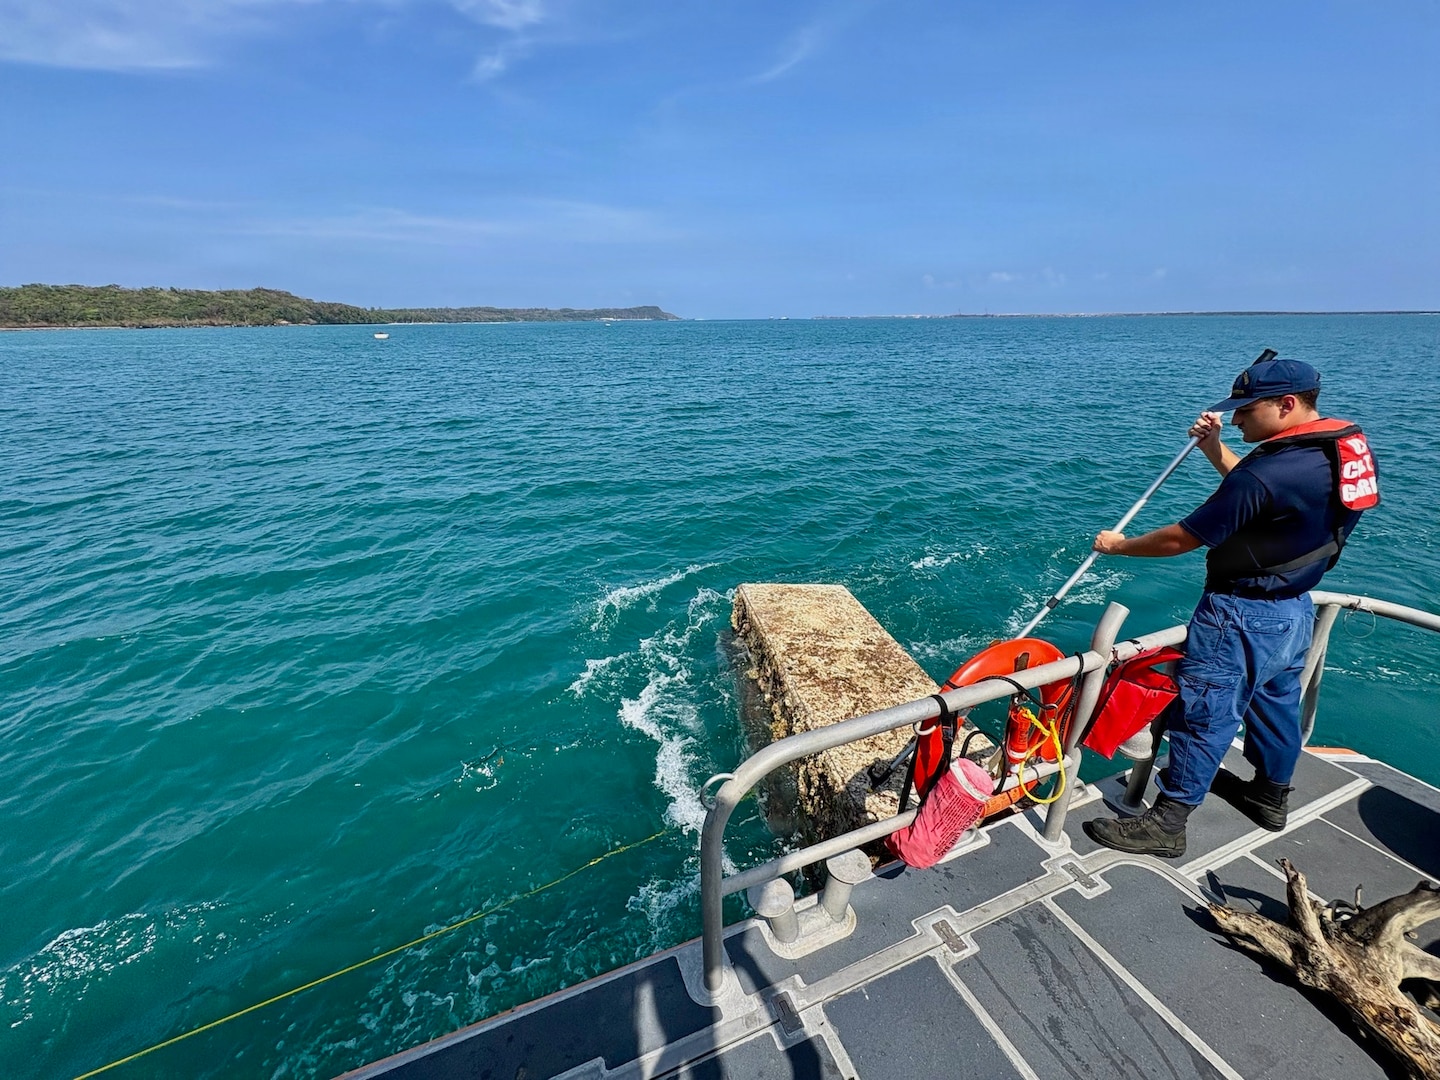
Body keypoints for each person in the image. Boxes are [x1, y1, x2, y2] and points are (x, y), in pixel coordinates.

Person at [1082, 355, 1378, 858]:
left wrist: (1117, 546)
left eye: (1245, 409)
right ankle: (1269, 796)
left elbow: (1182, 538)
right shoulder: (1338, 452)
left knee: (1205, 714)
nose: (1237, 419)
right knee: (1277, 704)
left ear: (1287, 404)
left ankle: (1167, 823)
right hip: (1293, 608)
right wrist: (1214, 448)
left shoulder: (1268, 472)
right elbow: (1267, 500)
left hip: (1239, 614)